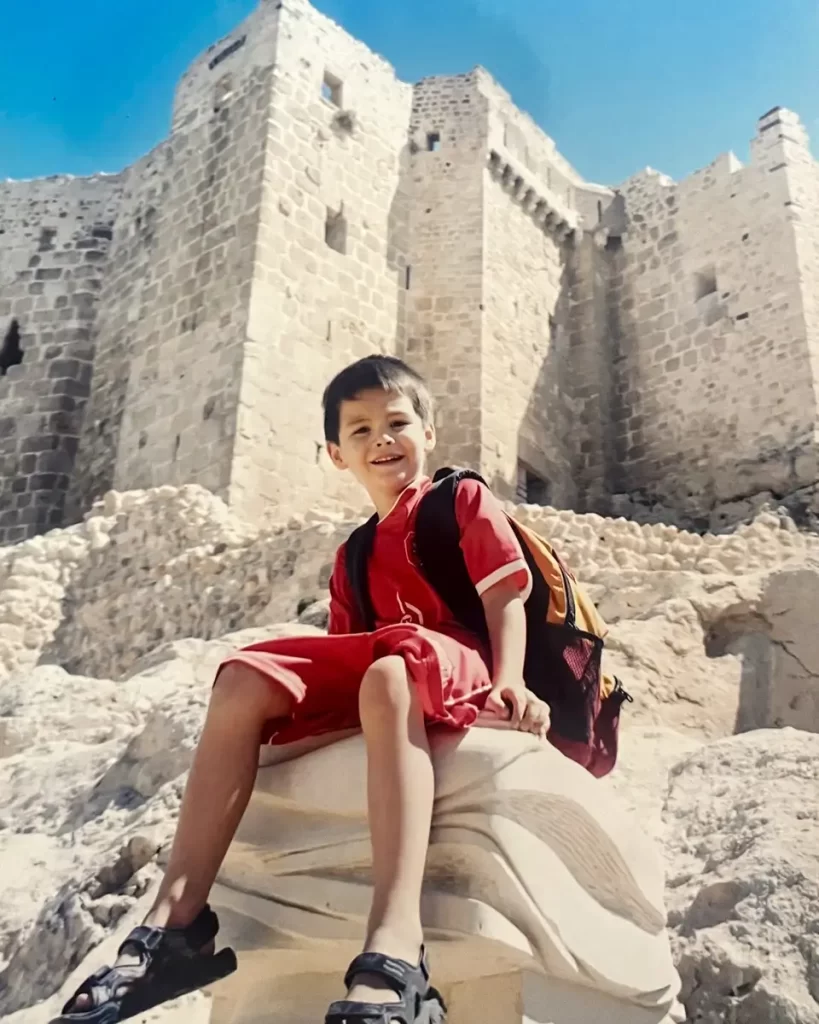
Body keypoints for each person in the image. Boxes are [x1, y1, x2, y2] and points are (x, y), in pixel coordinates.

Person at [55, 355, 551, 1024]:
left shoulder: (458, 501)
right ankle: (174, 925)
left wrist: (509, 682)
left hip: (455, 659)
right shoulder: (353, 555)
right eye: (360, 430)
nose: (382, 438)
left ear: (429, 433)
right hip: (393, 668)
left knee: (390, 668)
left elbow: (505, 599)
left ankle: (397, 948)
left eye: (398, 422)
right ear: (335, 454)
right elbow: (344, 655)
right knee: (242, 676)